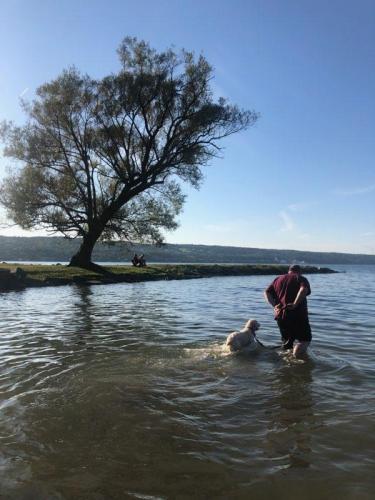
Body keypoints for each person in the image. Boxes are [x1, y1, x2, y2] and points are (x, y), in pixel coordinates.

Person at [264, 264, 312, 358]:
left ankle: (286, 362)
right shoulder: (300, 278)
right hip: (298, 315)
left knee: (287, 342)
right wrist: (295, 304)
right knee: (304, 340)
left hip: (281, 316)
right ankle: (296, 360)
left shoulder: (277, 279)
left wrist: (274, 306)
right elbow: (303, 289)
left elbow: (266, 292)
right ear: (300, 271)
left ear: (289, 271)